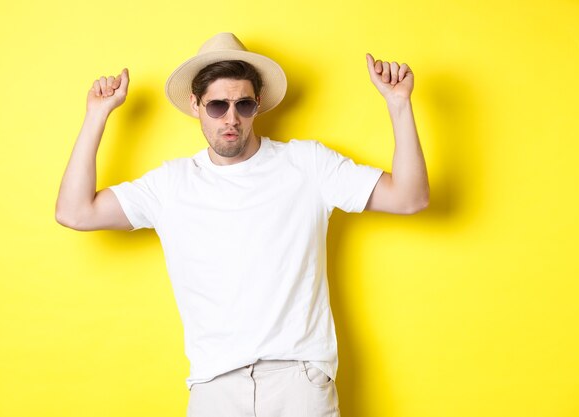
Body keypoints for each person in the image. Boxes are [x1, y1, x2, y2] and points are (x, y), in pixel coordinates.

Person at [55, 32, 429, 417]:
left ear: (258, 105)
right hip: (215, 387)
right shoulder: (170, 185)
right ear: (195, 105)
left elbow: (409, 197)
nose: (230, 119)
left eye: (243, 105)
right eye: (217, 106)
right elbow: (74, 212)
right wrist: (97, 115)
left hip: (298, 380)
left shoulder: (307, 164)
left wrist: (399, 105)